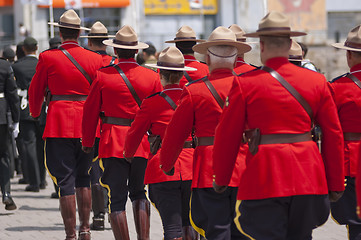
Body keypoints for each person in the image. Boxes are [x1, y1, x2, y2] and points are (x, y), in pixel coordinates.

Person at [212, 11, 345, 239]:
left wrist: (221, 179)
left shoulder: (245, 85)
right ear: (290, 44)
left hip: (265, 177)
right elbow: (333, 135)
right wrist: (335, 184)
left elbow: (227, 137)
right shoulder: (317, 81)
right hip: (308, 177)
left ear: (261, 46)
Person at [159, 26, 251, 240]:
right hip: (245, 167)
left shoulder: (194, 91)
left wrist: (167, 163)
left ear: (207, 59)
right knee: (244, 231)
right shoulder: (251, 88)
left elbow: (175, 134)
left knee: (216, 230)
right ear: (237, 58)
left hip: (209, 170)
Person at [81, 25, 162, 240]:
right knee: (139, 192)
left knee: (116, 198)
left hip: (112, 142)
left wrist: (88, 142)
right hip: (142, 144)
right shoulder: (151, 77)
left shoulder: (103, 76)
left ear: (115, 51)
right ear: (136, 51)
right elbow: (159, 112)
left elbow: (89, 113)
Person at [29, 9, 103, 240]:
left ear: (60, 33)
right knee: (85, 177)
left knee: (65, 181)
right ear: (80, 33)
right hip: (88, 125)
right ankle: (85, 229)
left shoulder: (47, 57)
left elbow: (35, 91)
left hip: (59, 122)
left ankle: (70, 234)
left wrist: (35, 112)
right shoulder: (95, 58)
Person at [124, 46, 198, 240]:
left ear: (160, 73)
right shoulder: (195, 98)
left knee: (172, 229)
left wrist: (128, 154)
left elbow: (134, 133)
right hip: (193, 165)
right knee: (190, 223)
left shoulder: (152, 103)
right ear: (182, 74)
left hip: (163, 169)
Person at [80, 20, 117, 231]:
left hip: (94, 123)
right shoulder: (114, 62)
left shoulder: (88, 61)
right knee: (112, 170)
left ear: (90, 41)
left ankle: (99, 215)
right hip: (113, 123)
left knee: (94, 170)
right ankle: (114, 210)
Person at [329, 25, 361, 240]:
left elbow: (328, 128)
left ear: (349, 55)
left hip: (352, 162)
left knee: (356, 223)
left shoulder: (337, 87)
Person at [12, 36, 46, 192]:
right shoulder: (42, 63)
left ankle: (34, 181)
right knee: (42, 146)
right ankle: (43, 179)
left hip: (26, 107)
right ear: (36, 48)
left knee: (29, 145)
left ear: (24, 49)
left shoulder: (17, 66)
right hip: (43, 107)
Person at [0, 56, 19, 211]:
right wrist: (16, 117)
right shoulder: (5, 66)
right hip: (1, 116)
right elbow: (12, 94)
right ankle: (6, 193)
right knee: (4, 155)